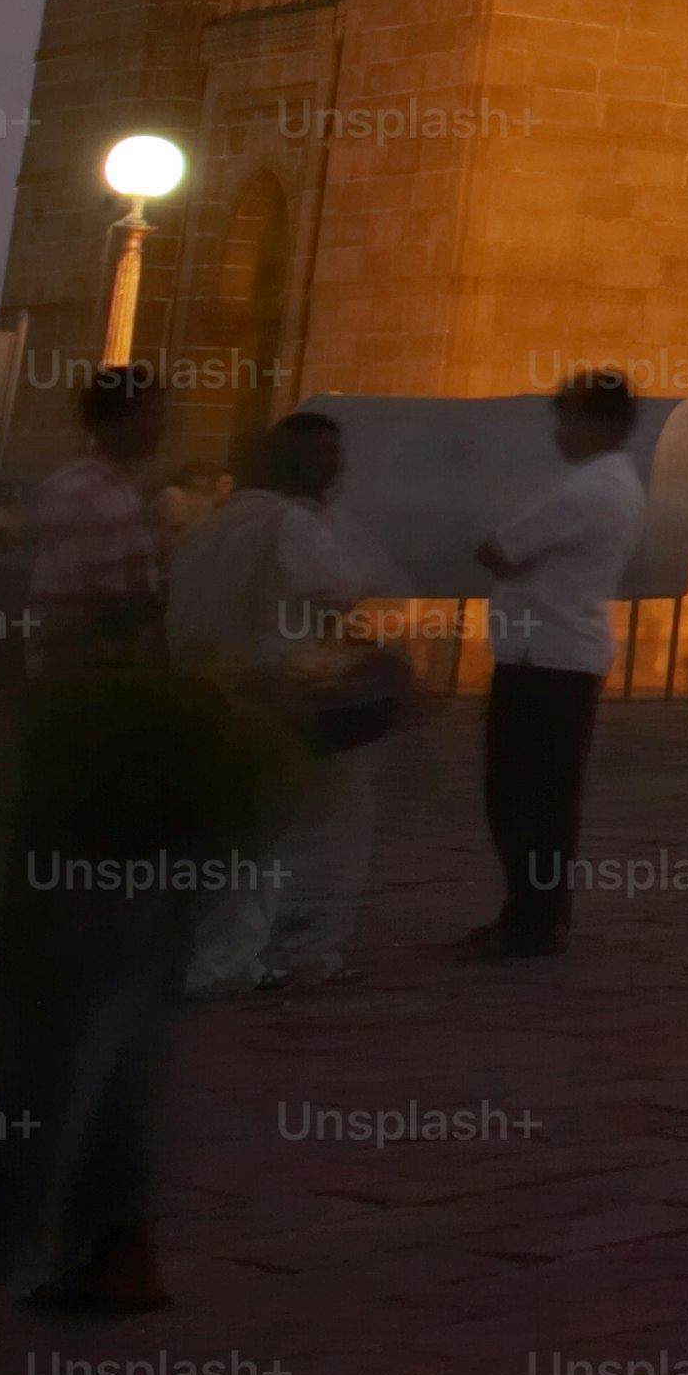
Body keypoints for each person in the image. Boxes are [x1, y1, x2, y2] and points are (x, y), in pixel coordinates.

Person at [0, 617, 297, 1361]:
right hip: (164, 796)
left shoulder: (15, 720)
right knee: (112, 1037)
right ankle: (119, 1247)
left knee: (42, 1053)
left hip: (105, 804)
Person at [166, 412, 399, 994]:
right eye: (322, 457)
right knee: (306, 829)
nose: (333, 469)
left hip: (215, 695)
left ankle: (245, 953)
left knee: (247, 830)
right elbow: (342, 588)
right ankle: (277, 955)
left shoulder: (214, 524)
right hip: (284, 698)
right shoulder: (288, 523)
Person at [458, 371, 643, 963]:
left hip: (550, 657)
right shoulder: (605, 484)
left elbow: (501, 550)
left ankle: (532, 922)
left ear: (601, 425)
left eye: (570, 418)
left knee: (527, 796)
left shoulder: (589, 489)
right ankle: (529, 916)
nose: (560, 432)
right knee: (535, 795)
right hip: (551, 653)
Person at [18, 367, 173, 649]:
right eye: (151, 414)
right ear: (114, 421)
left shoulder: (119, 488)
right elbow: (62, 604)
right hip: (80, 667)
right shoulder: (79, 492)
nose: (162, 427)